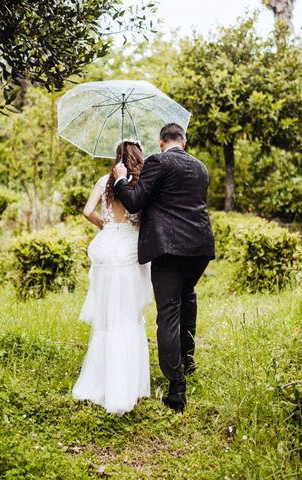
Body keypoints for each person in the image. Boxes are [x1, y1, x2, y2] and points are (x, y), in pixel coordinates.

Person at [112, 123, 215, 412]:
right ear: (184, 141)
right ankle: (188, 360)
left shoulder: (158, 161)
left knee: (168, 313)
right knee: (187, 299)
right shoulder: (200, 167)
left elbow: (134, 202)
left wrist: (121, 180)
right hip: (200, 248)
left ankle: (176, 389)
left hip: (169, 248)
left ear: (160, 142)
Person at [72, 140, 152, 415]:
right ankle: (126, 385)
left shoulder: (105, 181)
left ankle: (99, 382)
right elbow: (144, 218)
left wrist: (105, 225)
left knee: (107, 318)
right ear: (137, 156)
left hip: (105, 249)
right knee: (128, 316)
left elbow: (86, 211)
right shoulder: (139, 183)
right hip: (128, 249)